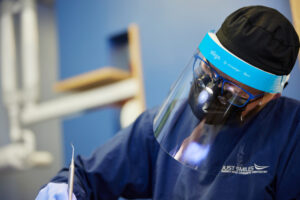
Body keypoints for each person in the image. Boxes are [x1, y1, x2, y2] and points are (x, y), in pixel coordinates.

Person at [36, 5, 300, 200]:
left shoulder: (291, 133)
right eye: (208, 73)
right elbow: (85, 175)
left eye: (233, 93)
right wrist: (64, 190)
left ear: (269, 97)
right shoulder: (167, 122)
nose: (210, 93)